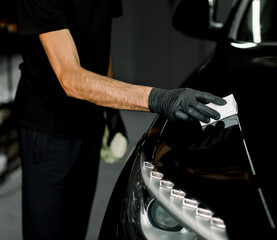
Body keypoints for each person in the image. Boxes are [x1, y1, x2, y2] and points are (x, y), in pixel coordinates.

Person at [14, 0, 226, 239]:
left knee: (76, 228)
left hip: (90, 121)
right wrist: (158, 98)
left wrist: (110, 111)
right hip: (47, 127)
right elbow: (70, 78)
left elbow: (100, 43)